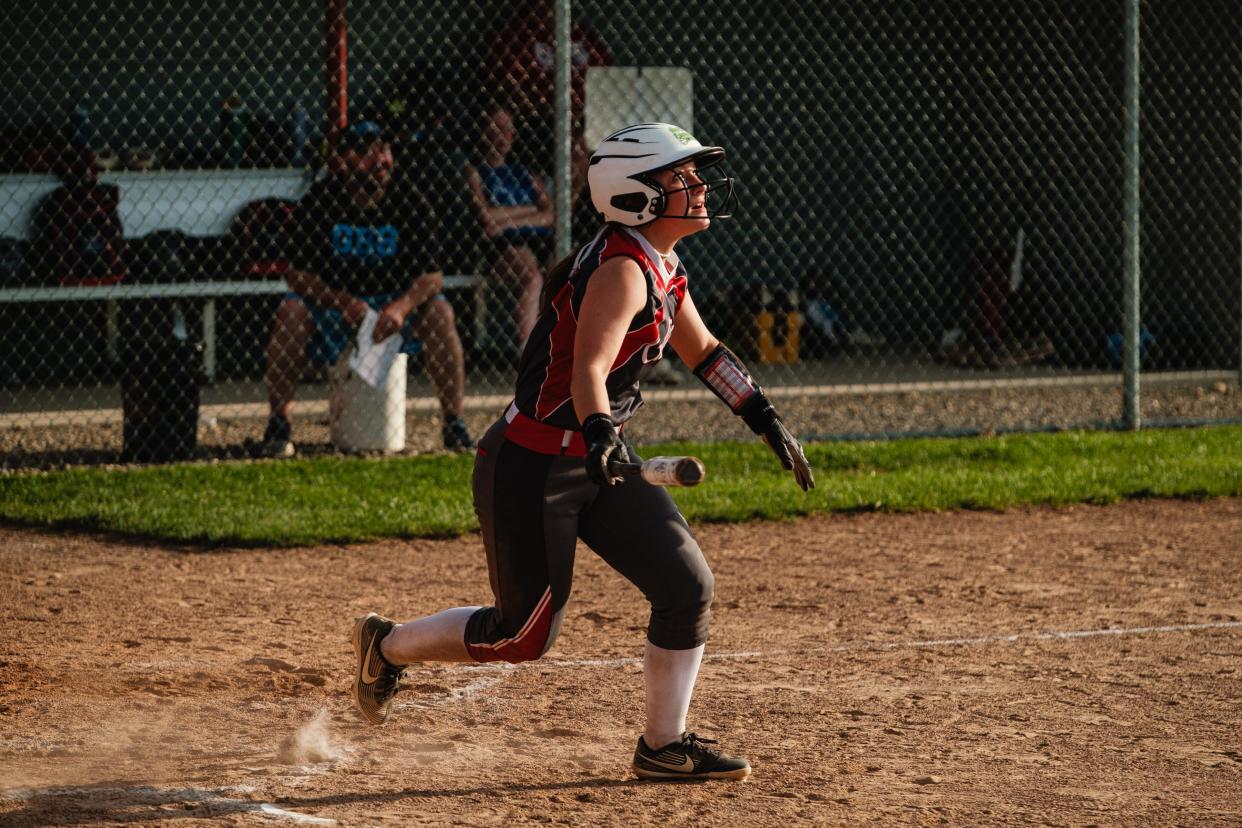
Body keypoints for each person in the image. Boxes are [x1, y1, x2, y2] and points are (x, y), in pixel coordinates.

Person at [351, 123, 814, 781]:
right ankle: (387, 645)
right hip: (533, 464)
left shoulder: (663, 265)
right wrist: (599, 433)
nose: (701, 186)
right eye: (682, 177)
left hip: (599, 453)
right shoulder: (624, 271)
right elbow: (588, 372)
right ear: (637, 198)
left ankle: (663, 745)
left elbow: (706, 354)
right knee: (523, 636)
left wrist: (765, 419)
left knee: (686, 587)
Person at [256, 121, 474, 457]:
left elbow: (432, 277)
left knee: (441, 311)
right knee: (291, 311)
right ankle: (279, 423)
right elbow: (296, 276)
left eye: (384, 150)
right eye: (366, 152)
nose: (380, 160)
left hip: (392, 305)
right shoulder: (321, 200)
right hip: (336, 305)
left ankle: (454, 422)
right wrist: (341, 301)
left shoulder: (409, 198)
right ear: (343, 161)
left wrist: (401, 308)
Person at [465, 101, 553, 350]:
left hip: (539, 237)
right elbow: (485, 218)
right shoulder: (475, 170)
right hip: (504, 244)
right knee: (532, 276)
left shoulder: (525, 172)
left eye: (506, 129)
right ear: (483, 132)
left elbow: (552, 214)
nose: (501, 135)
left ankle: (566, 343)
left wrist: (505, 219)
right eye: (494, 128)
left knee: (567, 272)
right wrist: (532, 211)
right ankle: (530, 351)